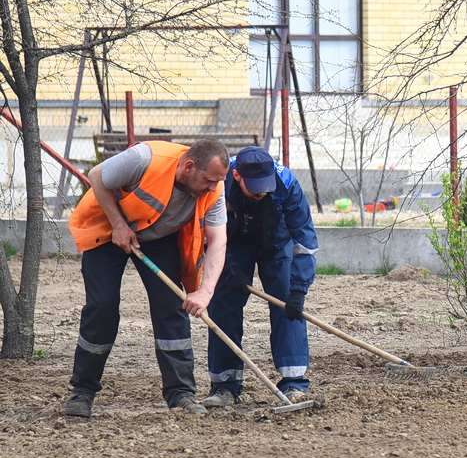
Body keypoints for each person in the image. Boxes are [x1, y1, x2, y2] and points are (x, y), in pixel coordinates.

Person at [64, 139, 230, 418]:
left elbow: (218, 241)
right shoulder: (144, 159)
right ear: (189, 167)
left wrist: (205, 292)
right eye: (209, 180)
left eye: (217, 182)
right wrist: (118, 225)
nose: (213, 188)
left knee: (172, 308)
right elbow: (96, 177)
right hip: (106, 230)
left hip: (159, 238)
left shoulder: (215, 190)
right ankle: (82, 390)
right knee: (102, 307)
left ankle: (181, 394)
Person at [202, 146, 318, 408]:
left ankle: (294, 383)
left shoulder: (286, 183)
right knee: (223, 306)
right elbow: (205, 232)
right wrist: (230, 269)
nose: (262, 191)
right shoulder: (219, 182)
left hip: (276, 245)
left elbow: (305, 240)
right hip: (230, 244)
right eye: (254, 187)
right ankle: (225, 385)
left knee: (288, 306)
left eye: (265, 185)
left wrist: (298, 288)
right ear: (237, 176)